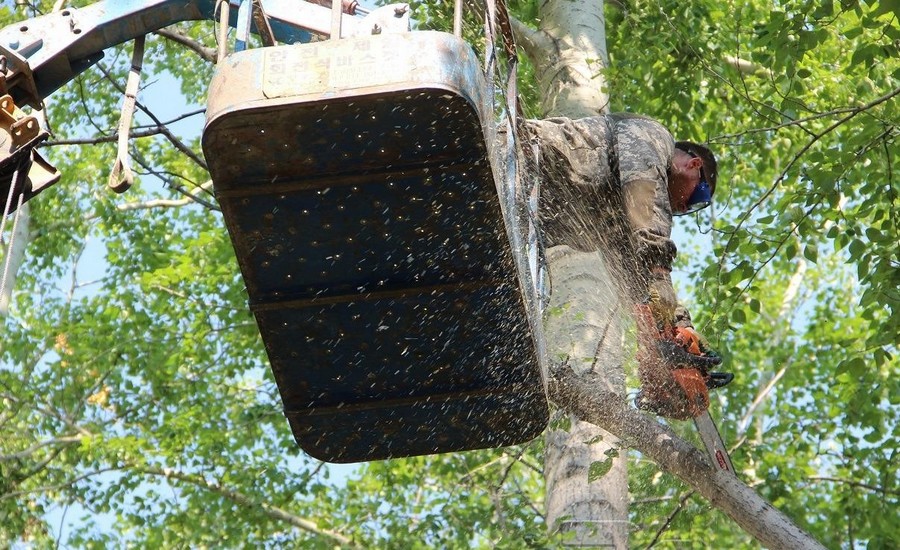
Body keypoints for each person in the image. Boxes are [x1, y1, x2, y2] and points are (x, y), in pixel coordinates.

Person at [522, 113, 728, 420]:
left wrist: (676, 335)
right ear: (693, 166)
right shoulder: (652, 136)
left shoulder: (617, 218)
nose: (685, 208)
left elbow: (640, 288)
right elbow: (644, 190)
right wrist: (660, 272)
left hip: (516, 216)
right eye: (697, 198)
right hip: (518, 158)